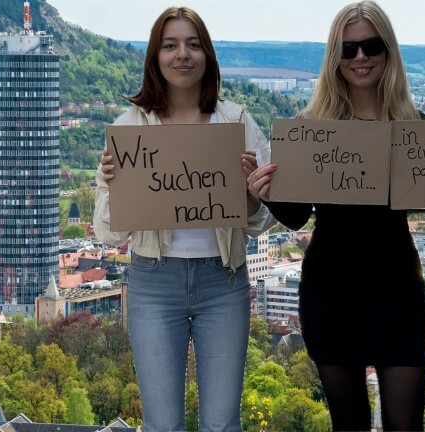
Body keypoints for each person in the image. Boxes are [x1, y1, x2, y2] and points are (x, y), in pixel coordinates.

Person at [247, 1, 425, 430]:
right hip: (331, 294)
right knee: (350, 425)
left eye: (371, 45)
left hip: (398, 295)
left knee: (405, 426)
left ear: (388, 52)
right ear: (334, 58)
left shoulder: (412, 124)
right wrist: (263, 193)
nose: (360, 57)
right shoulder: (311, 127)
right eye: (349, 49)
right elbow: (297, 216)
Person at [93, 7, 275, 432]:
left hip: (223, 280)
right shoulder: (130, 126)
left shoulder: (238, 121)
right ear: (155, 57)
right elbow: (110, 232)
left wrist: (251, 195)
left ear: (208, 55)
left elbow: (262, 218)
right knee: (161, 424)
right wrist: (113, 187)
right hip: (153, 283)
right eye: (170, 45)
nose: (183, 55)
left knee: (223, 422)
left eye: (193, 45)